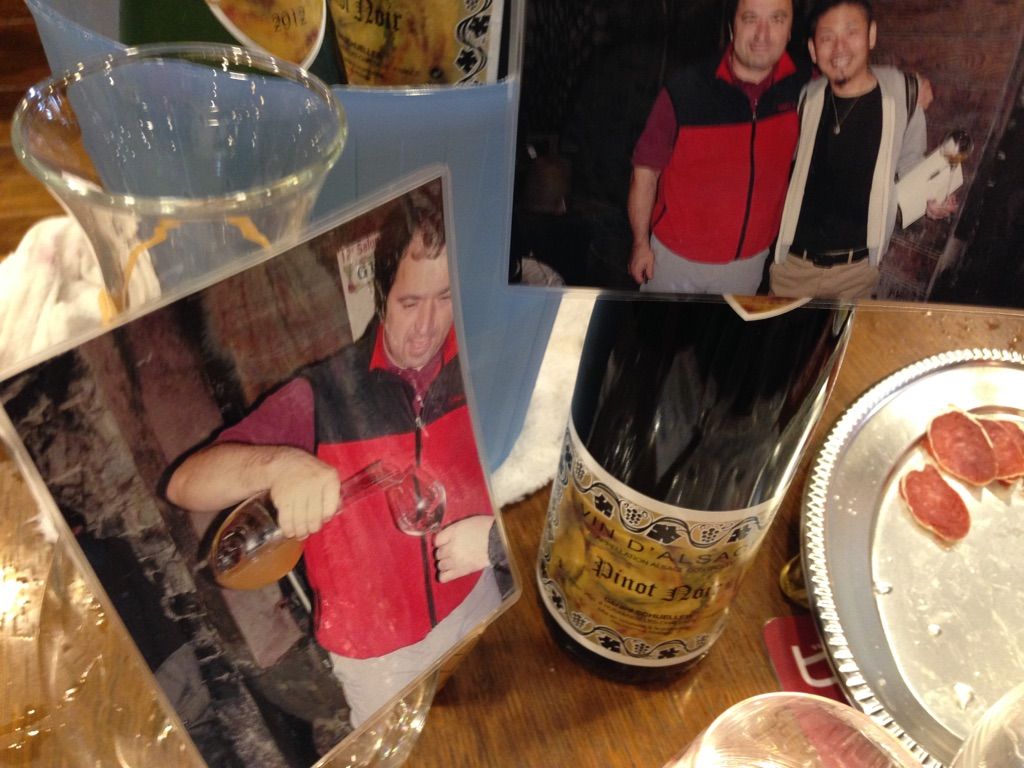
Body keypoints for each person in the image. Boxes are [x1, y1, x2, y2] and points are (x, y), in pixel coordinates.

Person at [165, 190, 505, 728]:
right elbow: (185, 484)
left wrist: (495, 540)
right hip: (379, 657)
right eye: (410, 302)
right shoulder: (323, 394)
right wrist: (278, 466)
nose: (427, 325)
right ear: (381, 296)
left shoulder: (479, 360)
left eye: (445, 298)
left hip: (476, 592)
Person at [769, 0, 957, 299]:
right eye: (827, 38)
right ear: (813, 50)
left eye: (851, 32)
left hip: (856, 274)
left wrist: (929, 199)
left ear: (871, 35)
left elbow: (911, 164)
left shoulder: (905, 96)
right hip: (792, 267)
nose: (839, 48)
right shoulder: (806, 98)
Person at [628, 0, 808, 294]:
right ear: (732, 27)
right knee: (660, 326)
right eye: (750, 19)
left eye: (777, 19)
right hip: (675, 258)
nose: (763, 34)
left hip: (748, 262)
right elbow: (645, 171)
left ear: (789, 30)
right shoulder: (686, 89)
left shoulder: (803, 87)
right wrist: (640, 243)